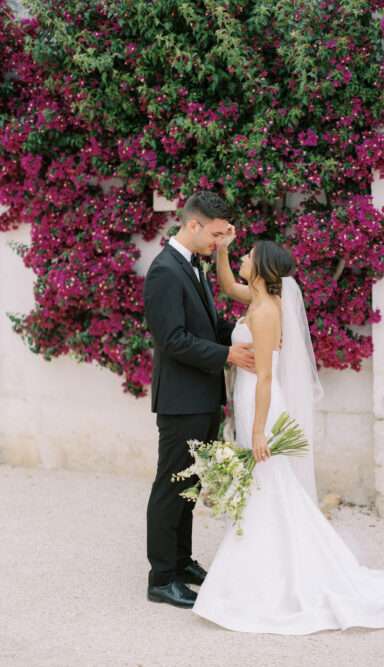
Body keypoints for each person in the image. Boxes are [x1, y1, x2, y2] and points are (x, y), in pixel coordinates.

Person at [191, 230, 384, 634]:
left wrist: (257, 432)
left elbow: (268, 377)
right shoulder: (256, 299)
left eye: (248, 255)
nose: (244, 260)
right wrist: (223, 248)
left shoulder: (266, 311)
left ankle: (268, 580)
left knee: (269, 488)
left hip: (262, 405)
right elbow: (225, 284)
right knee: (264, 489)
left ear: (263, 267)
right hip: (250, 399)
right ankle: (263, 572)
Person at [143, 191, 255, 609]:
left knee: (190, 485)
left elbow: (206, 326)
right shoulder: (164, 272)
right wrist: (228, 354)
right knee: (171, 487)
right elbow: (172, 340)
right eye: (215, 234)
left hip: (204, 396)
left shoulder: (194, 266)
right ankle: (161, 578)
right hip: (180, 400)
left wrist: (243, 332)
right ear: (193, 225)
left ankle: (183, 561)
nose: (219, 243)